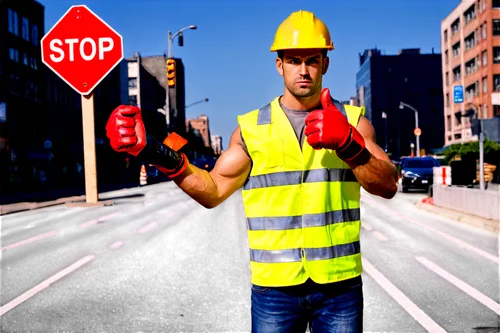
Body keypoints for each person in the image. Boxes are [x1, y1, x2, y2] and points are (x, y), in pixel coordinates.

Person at [106, 10, 398, 333]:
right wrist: (153, 151)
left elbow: (388, 184)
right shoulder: (251, 129)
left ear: (325, 64)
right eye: (294, 60)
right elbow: (213, 191)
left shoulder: (353, 122)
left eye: (312, 60)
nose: (303, 70)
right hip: (273, 290)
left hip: (340, 287)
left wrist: (348, 144)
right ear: (279, 64)